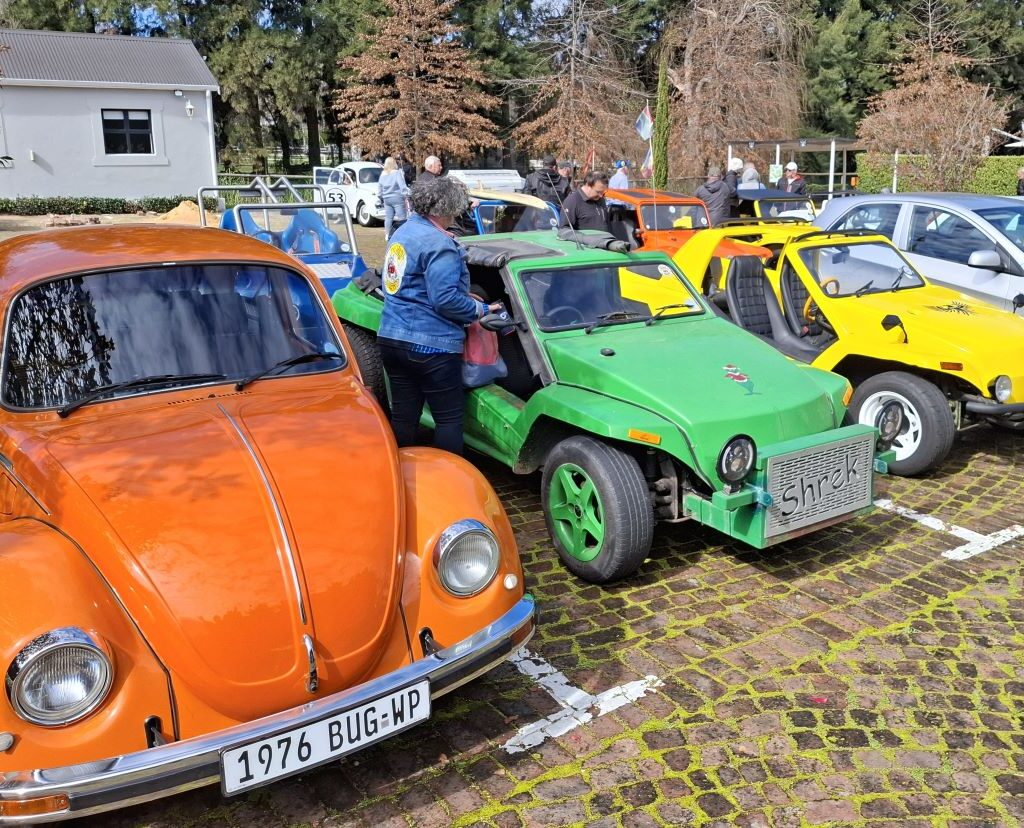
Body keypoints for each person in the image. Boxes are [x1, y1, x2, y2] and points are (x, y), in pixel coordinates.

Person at [378, 176, 501, 455]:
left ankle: (399, 472)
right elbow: (444, 301)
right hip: (431, 345)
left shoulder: (402, 232)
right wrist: (480, 309)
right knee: (448, 419)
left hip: (392, 338)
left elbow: (403, 282)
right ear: (446, 208)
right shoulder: (440, 244)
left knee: (404, 416)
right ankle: (450, 480)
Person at [377, 157, 410, 240]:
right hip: (397, 198)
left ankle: (387, 234)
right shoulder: (397, 173)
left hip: (386, 199)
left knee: (388, 217)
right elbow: (402, 186)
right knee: (402, 217)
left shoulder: (382, 174)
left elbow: (379, 187)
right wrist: (407, 194)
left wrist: (380, 196)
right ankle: (404, 234)